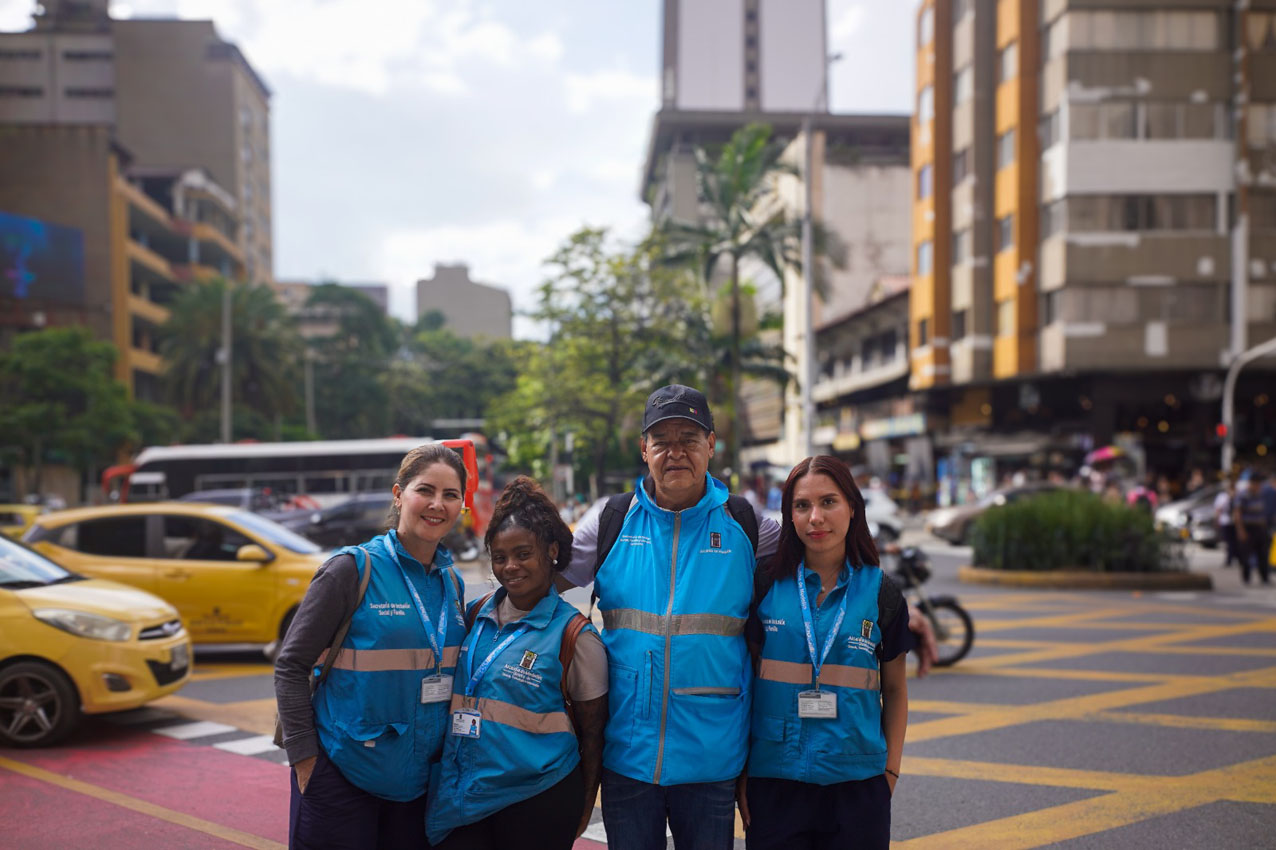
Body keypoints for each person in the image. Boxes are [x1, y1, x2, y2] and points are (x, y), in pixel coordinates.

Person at [561, 384, 936, 850]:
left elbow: (819, 554)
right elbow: (540, 584)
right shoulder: (611, 520)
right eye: (662, 440)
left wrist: (898, 611)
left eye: (689, 439)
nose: (675, 452)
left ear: (711, 445)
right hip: (627, 757)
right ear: (644, 449)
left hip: (713, 762)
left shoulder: (745, 523)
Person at [274, 443, 470, 850]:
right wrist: (306, 763)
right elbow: (290, 666)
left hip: (415, 788)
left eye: (450, 495)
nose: (437, 504)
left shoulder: (452, 584)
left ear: (461, 506)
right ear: (399, 495)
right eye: (425, 490)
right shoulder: (351, 570)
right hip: (341, 780)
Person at [426, 476, 608, 849]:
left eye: (523, 554)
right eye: (500, 557)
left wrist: (585, 802)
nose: (510, 567)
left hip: (537, 798)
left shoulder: (576, 637)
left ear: (551, 551)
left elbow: (593, 735)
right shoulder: (475, 614)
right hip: (465, 796)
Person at [740, 456, 909, 850]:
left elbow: (896, 690)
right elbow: (745, 680)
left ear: (852, 507)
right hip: (775, 781)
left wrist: (890, 772)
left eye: (828, 502)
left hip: (858, 785)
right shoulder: (764, 583)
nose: (815, 517)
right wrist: (742, 772)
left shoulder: (881, 593)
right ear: (790, 515)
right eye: (802, 505)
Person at [1234, 469, 1273, 586]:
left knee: (1263, 554)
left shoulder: (1261, 495)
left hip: (1260, 528)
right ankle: (1246, 577)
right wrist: (1241, 530)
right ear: (1251, 483)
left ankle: (1264, 577)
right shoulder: (1243, 495)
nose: (1257, 486)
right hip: (1248, 528)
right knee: (1246, 555)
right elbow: (1237, 514)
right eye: (1255, 483)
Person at [1213, 480, 1237, 568]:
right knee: (1228, 542)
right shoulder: (1222, 496)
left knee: (1235, 542)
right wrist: (1217, 520)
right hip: (1226, 521)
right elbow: (1218, 509)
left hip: (1235, 522)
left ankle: (1236, 558)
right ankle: (1229, 559)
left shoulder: (1237, 495)